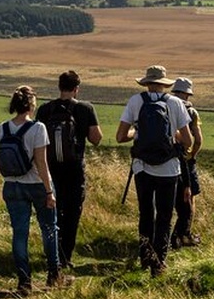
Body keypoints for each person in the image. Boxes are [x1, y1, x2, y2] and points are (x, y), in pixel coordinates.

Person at [116, 65, 193, 276]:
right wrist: (174, 138)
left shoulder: (135, 101)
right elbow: (188, 140)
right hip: (169, 169)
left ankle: (145, 255)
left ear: (146, 83)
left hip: (142, 167)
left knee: (146, 213)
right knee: (165, 216)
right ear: (164, 83)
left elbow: (120, 136)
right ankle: (159, 262)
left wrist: (137, 132)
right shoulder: (175, 103)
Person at [0, 85, 72, 296]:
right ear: (30, 105)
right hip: (37, 185)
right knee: (49, 229)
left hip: (11, 185)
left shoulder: (2, 128)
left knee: (19, 233)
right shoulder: (38, 128)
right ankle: (54, 275)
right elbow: (42, 163)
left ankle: (24, 281)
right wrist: (49, 192)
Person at [35, 70, 103, 270]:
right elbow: (96, 139)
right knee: (73, 213)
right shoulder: (85, 108)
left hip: (51, 169)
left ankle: (52, 252)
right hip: (74, 169)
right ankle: (65, 256)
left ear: (59, 87)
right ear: (76, 89)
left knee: (53, 211)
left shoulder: (45, 110)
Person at [169, 77, 204, 249]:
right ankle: (184, 234)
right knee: (190, 199)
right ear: (187, 94)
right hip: (185, 161)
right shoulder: (191, 112)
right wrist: (192, 156)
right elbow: (198, 139)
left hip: (166, 160)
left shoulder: (165, 106)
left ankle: (165, 234)